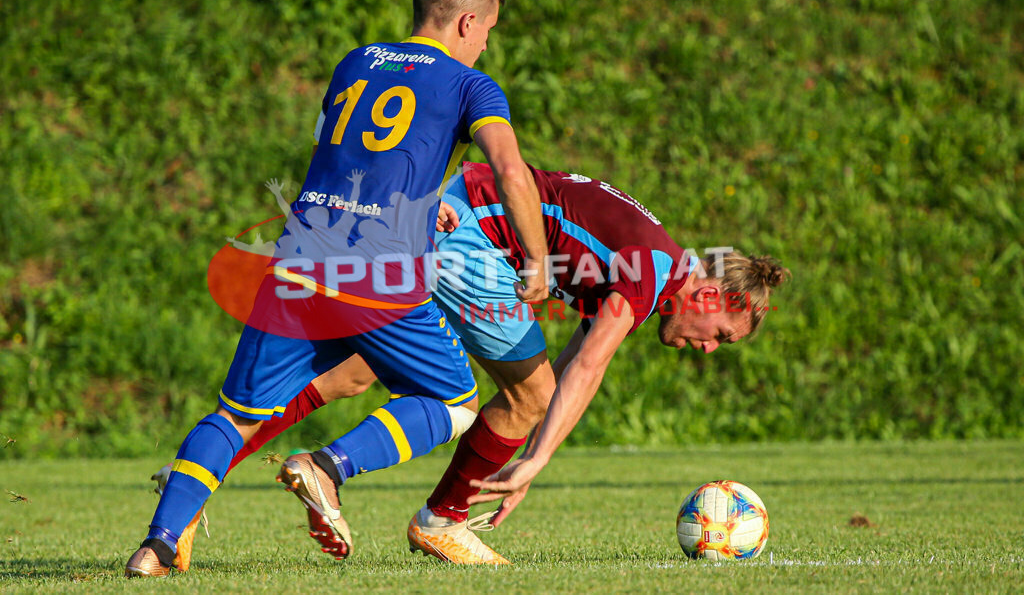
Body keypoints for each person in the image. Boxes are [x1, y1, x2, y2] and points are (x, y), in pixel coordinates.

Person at [125, 0, 549, 577]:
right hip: (375, 273)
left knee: (237, 415)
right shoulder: (470, 86)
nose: (486, 43)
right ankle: (326, 466)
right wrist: (536, 260)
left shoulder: (357, 62)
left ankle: (155, 546)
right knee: (453, 401)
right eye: (488, 29)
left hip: (299, 256)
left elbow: (360, 159)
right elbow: (510, 171)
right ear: (465, 22)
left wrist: (424, 208)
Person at [162, 161, 790, 567]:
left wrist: (531, 458)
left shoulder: (652, 261)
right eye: (721, 337)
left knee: (354, 372)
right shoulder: (653, 270)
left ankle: (192, 485)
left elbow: (574, 353)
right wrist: (535, 458)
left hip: (442, 218)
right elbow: (587, 368)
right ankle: (439, 517)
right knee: (522, 396)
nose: (708, 350)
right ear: (712, 296)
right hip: (464, 234)